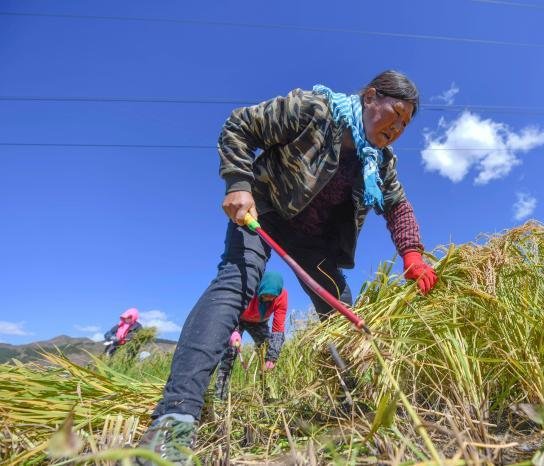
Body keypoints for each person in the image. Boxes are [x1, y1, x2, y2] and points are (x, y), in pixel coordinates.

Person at [135, 70, 438, 464]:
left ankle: (355, 403)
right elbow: (240, 125)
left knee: (340, 311)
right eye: (394, 113)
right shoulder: (314, 110)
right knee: (236, 282)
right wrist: (238, 183)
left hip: (314, 241)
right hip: (264, 210)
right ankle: (174, 419)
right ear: (369, 97)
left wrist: (412, 254)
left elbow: (397, 205)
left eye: (404, 124)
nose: (396, 128)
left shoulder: (378, 161)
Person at [214, 271, 288, 400]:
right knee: (229, 353)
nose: (269, 299)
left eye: (272, 296)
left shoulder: (282, 296)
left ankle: (266, 393)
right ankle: (220, 395)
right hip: (239, 319)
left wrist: (272, 357)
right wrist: (234, 331)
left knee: (268, 348)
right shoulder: (248, 288)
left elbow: (278, 328)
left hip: (259, 322)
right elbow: (232, 309)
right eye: (266, 295)